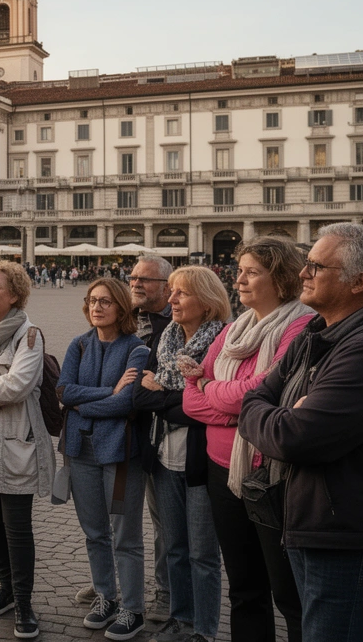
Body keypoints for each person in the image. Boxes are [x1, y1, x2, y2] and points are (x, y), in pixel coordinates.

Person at [240, 223, 363, 642]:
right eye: (306, 264)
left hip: (348, 537)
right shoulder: (316, 333)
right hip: (313, 521)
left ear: (359, 282)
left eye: (316, 266)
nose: (303, 273)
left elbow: (294, 437)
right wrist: (275, 412)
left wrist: (273, 415)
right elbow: (254, 399)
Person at [182, 237, 313, 642]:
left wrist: (211, 386)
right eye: (239, 270)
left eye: (251, 272)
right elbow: (190, 400)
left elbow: (259, 393)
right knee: (244, 588)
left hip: (272, 476)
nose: (238, 279)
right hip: (224, 473)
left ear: (281, 278)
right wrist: (230, 402)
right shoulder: (236, 329)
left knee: (288, 593)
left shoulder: (302, 326)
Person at [133, 267, 230, 642]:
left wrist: (163, 395)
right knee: (173, 546)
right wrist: (176, 397)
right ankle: (181, 617)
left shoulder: (221, 342)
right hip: (162, 456)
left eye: (181, 294)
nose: (171, 300)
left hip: (201, 460)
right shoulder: (166, 338)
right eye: (171, 292)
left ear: (205, 303)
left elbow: (207, 406)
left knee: (203, 554)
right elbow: (141, 397)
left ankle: (203, 630)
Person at [60, 278, 151, 641]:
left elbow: (126, 402)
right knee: (94, 531)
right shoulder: (78, 345)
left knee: (125, 536)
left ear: (122, 307)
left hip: (120, 454)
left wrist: (83, 402)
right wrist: (105, 393)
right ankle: (105, 596)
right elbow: (62, 391)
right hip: (80, 452)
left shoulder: (137, 350)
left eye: (106, 301)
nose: (97, 307)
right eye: (93, 301)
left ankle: (133, 609)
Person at [0, 260, 54, 639]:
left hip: (16, 442)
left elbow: (15, 387)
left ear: (15, 295)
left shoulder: (29, 334)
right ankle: (5, 587)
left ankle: (24, 603)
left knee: (17, 528)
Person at [124, 255, 174, 623]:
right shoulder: (122, 320)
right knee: (118, 515)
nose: (137, 284)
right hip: (121, 437)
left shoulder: (177, 324)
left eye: (146, 279)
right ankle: (114, 583)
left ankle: (165, 591)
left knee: (163, 523)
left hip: (157, 437)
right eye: (133, 277)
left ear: (167, 287)